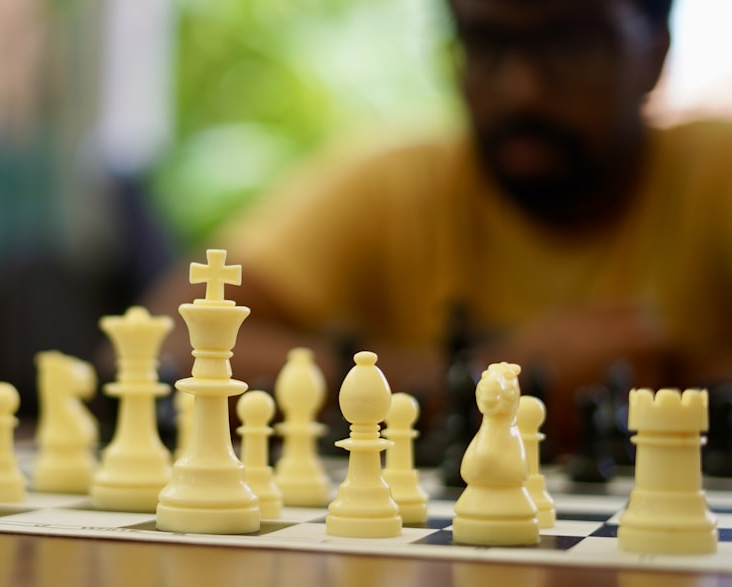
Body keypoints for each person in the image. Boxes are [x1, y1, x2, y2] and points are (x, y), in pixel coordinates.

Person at [143, 0, 732, 452]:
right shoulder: (394, 185)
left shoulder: (715, 174)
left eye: (571, 43)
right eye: (484, 43)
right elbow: (160, 345)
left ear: (655, 54)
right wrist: (483, 382)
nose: (521, 87)